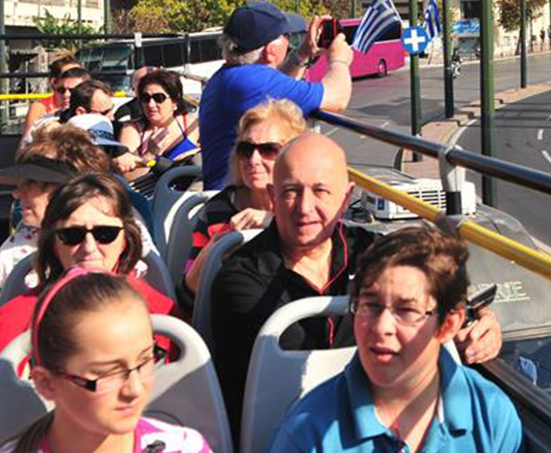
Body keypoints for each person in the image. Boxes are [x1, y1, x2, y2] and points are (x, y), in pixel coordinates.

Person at [209, 133, 500, 435]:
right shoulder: (240, 281)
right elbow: (313, 375)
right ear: (272, 196)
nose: (305, 207)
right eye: (291, 192)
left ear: (346, 198)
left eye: (321, 191)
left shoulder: (371, 254)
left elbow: (434, 284)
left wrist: (478, 320)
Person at [0, 174, 182, 453]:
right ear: (52, 243)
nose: (89, 247)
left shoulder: (160, 311)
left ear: (126, 239)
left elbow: (182, 408)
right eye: (72, 235)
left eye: (105, 233)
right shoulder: (11, 322)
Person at [270, 225, 522, 453]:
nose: (381, 327)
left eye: (406, 311)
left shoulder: (491, 414)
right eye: (370, 305)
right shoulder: (308, 433)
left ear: (448, 325)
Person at [0, 270, 209, 453]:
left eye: (145, 360)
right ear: (47, 384)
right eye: (108, 373)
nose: (135, 390)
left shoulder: (185, 449)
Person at [0, 128, 112, 364]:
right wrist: (31, 349)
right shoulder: (17, 248)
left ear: (66, 190)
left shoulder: (115, 240)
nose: (16, 192)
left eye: (31, 183)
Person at [196, 1, 353, 190]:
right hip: (236, 204)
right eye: (287, 36)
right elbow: (337, 98)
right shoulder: (251, 81)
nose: (289, 41)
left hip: (225, 195)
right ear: (271, 50)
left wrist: (302, 54)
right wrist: (339, 59)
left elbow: (276, 87)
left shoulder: (232, 76)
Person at [181, 100, 306, 307]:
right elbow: (187, 296)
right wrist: (217, 249)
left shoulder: (307, 209)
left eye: (269, 149)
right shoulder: (217, 211)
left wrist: (276, 224)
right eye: (246, 149)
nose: (253, 159)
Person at [118, 70, 198, 194]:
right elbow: (128, 178)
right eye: (145, 98)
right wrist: (150, 154)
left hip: (187, 197)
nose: (151, 104)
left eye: (158, 98)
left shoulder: (192, 125)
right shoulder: (132, 130)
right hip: (151, 200)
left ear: (174, 101)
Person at [19, 66, 89, 147]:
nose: (66, 95)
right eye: (61, 90)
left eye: (73, 90)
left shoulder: (101, 118)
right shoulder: (45, 123)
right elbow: (24, 149)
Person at [23, 56, 82, 133]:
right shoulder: (40, 108)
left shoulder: (90, 102)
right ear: (54, 82)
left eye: (78, 74)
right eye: (67, 75)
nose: (73, 80)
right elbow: (26, 141)